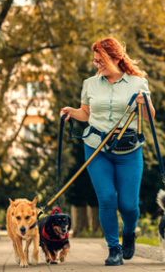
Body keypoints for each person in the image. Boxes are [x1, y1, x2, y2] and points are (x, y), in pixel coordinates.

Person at [61, 37, 155, 266]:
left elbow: (149, 118)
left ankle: (129, 233)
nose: (97, 65)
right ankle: (114, 249)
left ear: (115, 58)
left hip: (129, 151)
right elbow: (86, 114)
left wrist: (145, 103)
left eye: (100, 60)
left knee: (129, 206)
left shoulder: (137, 83)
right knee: (106, 199)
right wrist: (71, 112)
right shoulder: (89, 84)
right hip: (96, 148)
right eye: (95, 61)